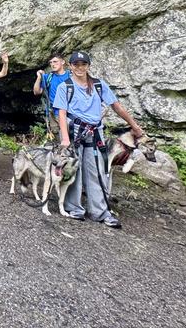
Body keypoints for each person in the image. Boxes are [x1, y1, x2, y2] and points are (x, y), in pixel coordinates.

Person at [54, 51, 146, 229]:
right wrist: (65, 137)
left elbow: (116, 106)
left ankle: (100, 211)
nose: (80, 68)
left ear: (88, 66)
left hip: (95, 134)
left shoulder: (98, 85)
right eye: (76, 64)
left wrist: (134, 126)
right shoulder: (65, 87)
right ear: (71, 66)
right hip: (73, 133)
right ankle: (74, 208)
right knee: (73, 170)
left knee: (97, 171)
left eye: (83, 64)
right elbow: (62, 113)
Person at [32, 53, 70, 137]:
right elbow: (36, 92)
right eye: (51, 62)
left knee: (67, 136)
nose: (53, 64)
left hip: (67, 112)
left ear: (62, 62)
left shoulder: (70, 76)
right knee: (57, 137)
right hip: (52, 112)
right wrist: (39, 78)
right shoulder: (48, 77)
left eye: (55, 61)